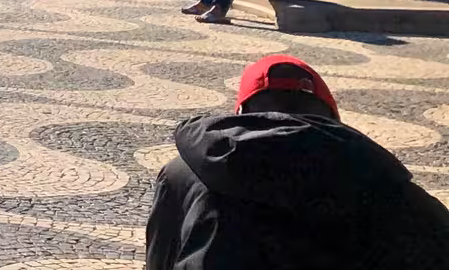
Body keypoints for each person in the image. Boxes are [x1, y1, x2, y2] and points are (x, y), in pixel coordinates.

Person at [144, 53, 449, 268]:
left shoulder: (183, 173)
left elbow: (161, 256)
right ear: (331, 115)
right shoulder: (378, 177)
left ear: (242, 114)